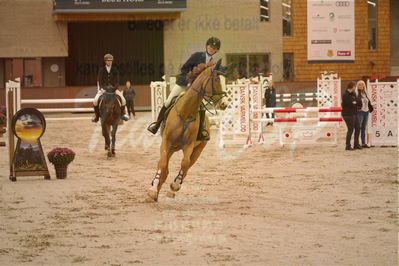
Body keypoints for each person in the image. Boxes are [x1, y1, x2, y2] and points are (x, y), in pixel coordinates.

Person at [147, 37, 221, 140]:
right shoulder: (197, 55)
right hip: (184, 83)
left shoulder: (213, 62)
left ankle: (200, 133)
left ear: (216, 50)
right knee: (169, 101)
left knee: (202, 108)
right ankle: (157, 125)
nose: (212, 49)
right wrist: (188, 82)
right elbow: (184, 68)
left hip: (197, 90)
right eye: (210, 46)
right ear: (207, 46)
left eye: (214, 48)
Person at [92, 54, 129, 123]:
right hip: (104, 89)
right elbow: (100, 81)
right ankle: (97, 116)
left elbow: (117, 81)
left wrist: (114, 89)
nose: (110, 62)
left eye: (111, 61)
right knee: (95, 101)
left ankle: (122, 114)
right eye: (108, 61)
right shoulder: (101, 70)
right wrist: (102, 88)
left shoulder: (115, 70)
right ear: (105, 61)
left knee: (123, 100)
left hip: (113, 89)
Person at [341, 81, 362, 150]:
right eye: (355, 86)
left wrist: (355, 103)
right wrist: (354, 103)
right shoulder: (345, 95)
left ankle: (356, 144)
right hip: (347, 115)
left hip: (354, 113)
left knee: (358, 128)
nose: (355, 88)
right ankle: (348, 145)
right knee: (350, 129)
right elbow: (350, 104)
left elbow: (357, 102)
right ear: (352, 87)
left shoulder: (354, 93)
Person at [356, 80, 373, 148]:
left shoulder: (365, 93)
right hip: (360, 112)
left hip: (366, 112)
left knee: (364, 128)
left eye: (362, 85)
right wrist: (357, 108)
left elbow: (368, 101)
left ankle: (363, 143)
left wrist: (370, 108)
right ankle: (356, 143)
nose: (361, 86)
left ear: (364, 86)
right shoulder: (356, 93)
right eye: (359, 84)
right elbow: (355, 102)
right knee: (358, 127)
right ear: (357, 85)